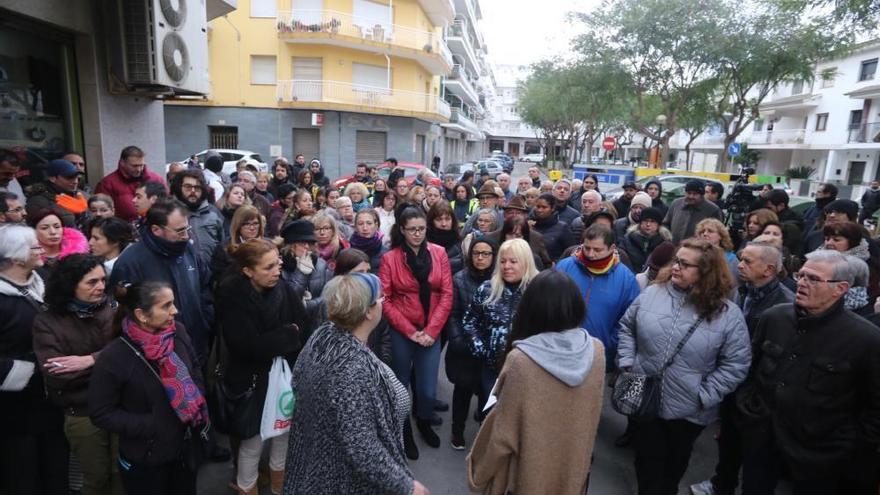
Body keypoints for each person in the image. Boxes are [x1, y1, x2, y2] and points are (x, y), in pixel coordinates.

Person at [736, 250, 880, 495]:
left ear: (841, 288)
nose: (802, 283)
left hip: (818, 456)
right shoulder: (775, 318)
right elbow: (750, 370)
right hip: (763, 441)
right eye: (800, 275)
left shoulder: (866, 339)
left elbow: (875, 409)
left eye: (813, 279)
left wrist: (848, 447)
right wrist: (749, 409)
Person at [618, 238, 751, 495]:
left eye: (686, 264)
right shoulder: (653, 293)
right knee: (646, 461)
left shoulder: (728, 314)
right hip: (644, 394)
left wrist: (703, 395)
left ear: (706, 272)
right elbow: (626, 328)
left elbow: (736, 363)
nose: (676, 267)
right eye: (676, 261)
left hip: (689, 410)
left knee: (673, 466)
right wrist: (627, 363)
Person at [282, 274, 430, 495]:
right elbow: (361, 446)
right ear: (369, 311)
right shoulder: (351, 366)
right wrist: (408, 487)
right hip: (341, 479)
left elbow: (298, 383)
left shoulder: (322, 335)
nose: (383, 302)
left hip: (317, 461)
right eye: (380, 298)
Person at [467, 270, 605, 495]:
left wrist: (478, 473)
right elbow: (593, 415)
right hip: (571, 474)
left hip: (524, 477)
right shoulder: (597, 352)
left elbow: (502, 434)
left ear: (530, 309)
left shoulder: (521, 361)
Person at [689, 241, 794, 495]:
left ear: (768, 270)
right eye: (741, 259)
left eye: (747, 261)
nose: (740, 265)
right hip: (732, 382)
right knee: (729, 443)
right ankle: (721, 484)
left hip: (760, 392)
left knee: (757, 459)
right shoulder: (741, 291)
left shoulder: (786, 305)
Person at [88, 281, 208, 495]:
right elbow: (101, 413)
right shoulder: (114, 357)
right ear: (142, 315)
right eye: (166, 306)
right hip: (146, 458)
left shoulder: (177, 332)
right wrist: (153, 424)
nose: (175, 311)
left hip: (184, 448)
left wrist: (195, 396)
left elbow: (195, 367)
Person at [215, 239, 310, 495]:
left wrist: (280, 338)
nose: (276, 271)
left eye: (277, 263)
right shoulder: (232, 296)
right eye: (268, 267)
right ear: (248, 271)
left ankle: (279, 484)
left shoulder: (283, 289)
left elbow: (301, 326)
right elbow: (245, 346)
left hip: (284, 376)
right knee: (252, 441)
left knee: (283, 432)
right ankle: (247, 487)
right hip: (251, 381)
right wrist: (286, 335)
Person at [32, 254, 121, 495]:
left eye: (103, 280)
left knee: (121, 474)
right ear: (70, 285)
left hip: (120, 405)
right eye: (91, 282)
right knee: (96, 477)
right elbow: (58, 375)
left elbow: (131, 352)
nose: (101, 287)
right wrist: (110, 363)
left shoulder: (112, 309)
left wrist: (89, 360)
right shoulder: (47, 322)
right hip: (82, 411)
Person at [379, 205, 453, 459]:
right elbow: (385, 299)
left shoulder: (439, 253)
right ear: (402, 230)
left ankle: (423, 419)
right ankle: (404, 429)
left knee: (428, 390)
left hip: (431, 330)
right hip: (403, 330)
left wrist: (432, 331)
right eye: (412, 230)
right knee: (400, 385)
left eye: (422, 229)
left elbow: (446, 294)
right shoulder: (390, 258)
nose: (418, 234)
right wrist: (410, 332)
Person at [0, 224, 68, 495]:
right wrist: (25, 370)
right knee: (23, 472)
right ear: (17, 257)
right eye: (34, 247)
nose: (42, 249)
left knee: (56, 467)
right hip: (15, 408)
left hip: (50, 399)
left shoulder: (43, 281)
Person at [109, 200, 214, 363]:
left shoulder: (188, 250)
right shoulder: (130, 262)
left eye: (187, 229)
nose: (186, 236)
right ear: (156, 230)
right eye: (179, 231)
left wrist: (205, 320)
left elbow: (205, 286)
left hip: (196, 345)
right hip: (156, 356)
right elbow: (123, 313)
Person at [462, 239, 539, 413]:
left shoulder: (538, 291)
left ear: (526, 262)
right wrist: (482, 350)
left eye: (513, 261)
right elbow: (470, 322)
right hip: (491, 369)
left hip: (527, 371)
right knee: (490, 415)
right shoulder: (487, 289)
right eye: (503, 261)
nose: (507, 266)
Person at [556, 224, 640, 369]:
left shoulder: (626, 279)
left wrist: (610, 343)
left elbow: (630, 319)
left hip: (599, 356)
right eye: (587, 248)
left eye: (597, 250)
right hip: (559, 350)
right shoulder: (565, 267)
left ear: (612, 248)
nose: (590, 254)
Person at [445, 238, 497, 450]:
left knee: (488, 395)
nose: (481, 258)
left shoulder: (499, 280)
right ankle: (457, 432)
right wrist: (458, 340)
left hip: (491, 350)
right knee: (462, 392)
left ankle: (484, 435)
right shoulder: (459, 279)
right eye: (476, 253)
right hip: (465, 348)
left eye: (486, 253)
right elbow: (453, 314)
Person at [332, 249, 392, 364]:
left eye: (367, 271)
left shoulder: (374, 297)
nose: (366, 277)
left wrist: (381, 365)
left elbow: (384, 337)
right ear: (344, 275)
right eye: (360, 272)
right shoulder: (331, 304)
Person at [94, 146, 164, 222]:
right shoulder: (107, 184)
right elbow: (101, 213)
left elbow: (167, 204)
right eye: (134, 166)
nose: (139, 169)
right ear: (122, 163)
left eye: (141, 165)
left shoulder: (156, 179)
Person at [171, 170, 224, 265]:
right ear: (179, 188)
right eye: (188, 187)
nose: (193, 191)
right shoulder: (170, 213)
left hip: (211, 273)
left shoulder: (213, 213)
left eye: (197, 188)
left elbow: (222, 244)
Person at [820, 221, 880, 300]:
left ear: (852, 242)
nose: (829, 243)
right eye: (827, 239)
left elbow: (859, 300)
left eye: (836, 240)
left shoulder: (865, 268)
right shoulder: (817, 259)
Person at [210, 205, 265, 285]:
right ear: (238, 225)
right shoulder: (224, 248)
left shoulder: (266, 245)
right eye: (247, 224)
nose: (252, 228)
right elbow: (218, 280)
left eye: (256, 223)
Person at [26, 159, 89, 228]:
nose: (75, 181)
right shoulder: (38, 201)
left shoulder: (82, 195)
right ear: (53, 178)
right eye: (69, 177)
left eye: (77, 178)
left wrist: (84, 213)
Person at [663, 179, 723, 244]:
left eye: (695, 194)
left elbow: (717, 233)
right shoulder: (676, 204)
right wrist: (667, 237)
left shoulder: (713, 209)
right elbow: (666, 224)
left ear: (701, 195)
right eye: (689, 193)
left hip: (698, 251)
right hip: (673, 248)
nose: (691, 196)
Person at [619, 207, 671, 273]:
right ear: (640, 223)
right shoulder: (628, 240)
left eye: (652, 221)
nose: (648, 224)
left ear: (658, 225)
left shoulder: (664, 243)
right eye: (645, 220)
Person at [531, 193, 575, 263]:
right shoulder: (530, 226)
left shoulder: (562, 228)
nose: (540, 210)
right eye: (538, 207)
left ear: (552, 208)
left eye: (544, 207)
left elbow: (571, 252)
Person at [696, 218, 740, 282]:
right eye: (702, 232)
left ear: (720, 236)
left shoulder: (731, 259)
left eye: (710, 231)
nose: (705, 234)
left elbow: (734, 284)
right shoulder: (693, 255)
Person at [427, 201, 463, 274]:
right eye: (439, 219)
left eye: (447, 219)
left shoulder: (460, 243)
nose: (444, 224)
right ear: (431, 221)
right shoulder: (424, 242)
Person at [764, 189, 804, 256]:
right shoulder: (776, 219)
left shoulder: (791, 227)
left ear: (781, 206)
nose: (766, 211)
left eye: (769, 208)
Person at [348, 209, 389, 273]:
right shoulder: (347, 251)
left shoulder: (387, 253)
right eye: (360, 224)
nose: (365, 228)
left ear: (376, 225)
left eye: (369, 223)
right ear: (355, 226)